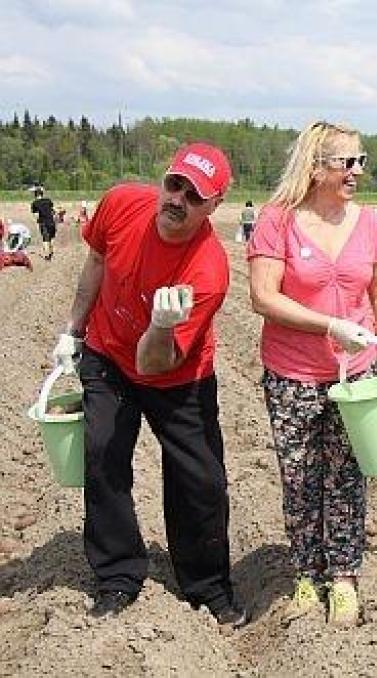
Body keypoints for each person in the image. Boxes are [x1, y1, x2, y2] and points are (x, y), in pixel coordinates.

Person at [50, 142, 246, 626]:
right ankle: (118, 575)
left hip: (177, 375)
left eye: (194, 195)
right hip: (108, 354)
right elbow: (96, 261)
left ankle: (207, 588)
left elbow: (154, 364)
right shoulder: (121, 203)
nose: (177, 199)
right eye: (173, 184)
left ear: (214, 206)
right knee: (103, 457)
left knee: (199, 481)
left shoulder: (207, 271)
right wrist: (74, 330)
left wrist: (159, 326)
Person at [247, 120, 377, 628]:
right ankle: (304, 571)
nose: (357, 171)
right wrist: (330, 324)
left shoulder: (368, 223)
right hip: (293, 372)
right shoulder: (278, 221)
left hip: (355, 375)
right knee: (300, 477)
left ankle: (342, 577)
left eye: (361, 160)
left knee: (346, 477)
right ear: (316, 169)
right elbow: (263, 297)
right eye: (347, 163)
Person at [31, 187, 56, 260]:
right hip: (51, 221)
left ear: (35, 195)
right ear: (42, 194)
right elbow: (52, 211)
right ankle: (51, 252)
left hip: (43, 222)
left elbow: (36, 215)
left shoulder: (35, 203)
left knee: (45, 239)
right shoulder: (48, 200)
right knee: (51, 238)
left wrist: (38, 221)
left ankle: (47, 255)